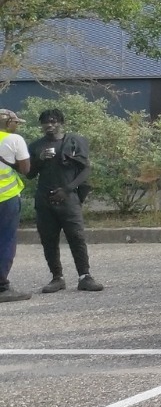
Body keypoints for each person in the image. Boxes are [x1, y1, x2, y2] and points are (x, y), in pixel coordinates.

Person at [28, 108, 97, 293]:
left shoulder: (73, 141)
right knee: (48, 240)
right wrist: (39, 159)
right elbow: (30, 174)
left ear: (61, 123)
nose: (49, 125)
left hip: (69, 198)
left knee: (77, 237)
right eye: (45, 122)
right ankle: (57, 278)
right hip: (44, 200)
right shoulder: (36, 146)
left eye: (53, 121)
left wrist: (67, 189)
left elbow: (86, 170)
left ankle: (85, 276)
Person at [0, 109, 32, 302]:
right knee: (6, 241)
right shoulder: (14, 140)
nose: (17, 125)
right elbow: (26, 169)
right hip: (6, 199)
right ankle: (2, 287)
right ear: (6, 123)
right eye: (15, 122)